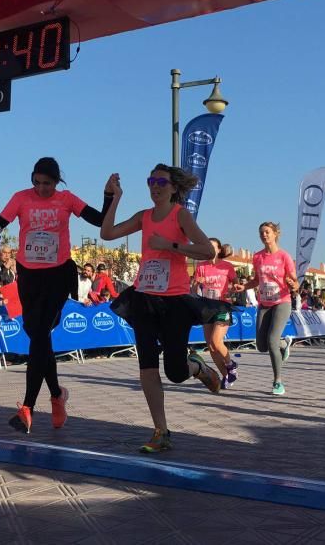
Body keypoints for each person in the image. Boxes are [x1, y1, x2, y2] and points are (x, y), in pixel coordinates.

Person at [0, 157, 113, 433]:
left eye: (48, 183)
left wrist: (109, 195)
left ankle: (27, 408)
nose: (42, 188)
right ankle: (56, 395)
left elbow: (100, 220)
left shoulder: (67, 199)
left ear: (57, 182)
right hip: (29, 275)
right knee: (37, 336)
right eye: (37, 183)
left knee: (40, 333)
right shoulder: (20, 198)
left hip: (58, 274)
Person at [100, 165, 221, 454]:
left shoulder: (180, 214)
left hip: (175, 301)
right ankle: (160, 431)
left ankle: (198, 367)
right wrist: (114, 197)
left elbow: (208, 251)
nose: (155, 186)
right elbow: (106, 233)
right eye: (151, 181)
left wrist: (171, 245)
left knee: (176, 372)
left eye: (161, 182)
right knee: (147, 366)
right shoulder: (144, 216)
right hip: (143, 297)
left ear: (174, 188)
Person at [233, 223, 298, 397]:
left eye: (267, 232)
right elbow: (256, 280)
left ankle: (278, 381)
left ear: (276, 233)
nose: (264, 235)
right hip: (264, 303)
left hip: (282, 302)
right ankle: (284, 344)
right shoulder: (258, 257)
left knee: (271, 341)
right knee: (262, 346)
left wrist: (293, 284)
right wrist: (244, 286)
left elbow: (295, 281)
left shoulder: (284, 256)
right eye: (261, 232)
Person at [193, 239, 239, 388]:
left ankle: (231, 364)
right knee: (211, 347)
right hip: (207, 307)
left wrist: (234, 288)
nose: (210, 250)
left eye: (213, 247)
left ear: (219, 250)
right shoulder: (201, 266)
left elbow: (236, 283)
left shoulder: (227, 267)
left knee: (216, 341)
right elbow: (194, 289)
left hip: (222, 307)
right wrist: (195, 283)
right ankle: (226, 376)